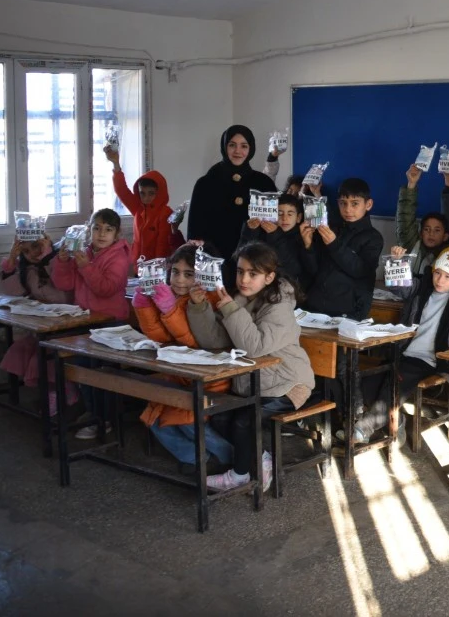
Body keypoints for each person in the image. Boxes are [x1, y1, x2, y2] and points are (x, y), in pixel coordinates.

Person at [188, 241, 315, 492]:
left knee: (245, 420)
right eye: (240, 271)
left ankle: (239, 476)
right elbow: (214, 341)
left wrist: (230, 308)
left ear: (269, 277)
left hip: (288, 384)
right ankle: (262, 458)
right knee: (220, 416)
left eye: (253, 273)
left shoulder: (279, 306)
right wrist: (200, 306)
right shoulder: (239, 299)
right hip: (252, 384)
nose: (244, 279)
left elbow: (255, 347)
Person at [351, 240, 449, 442]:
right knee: (369, 383)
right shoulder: (420, 288)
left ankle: (364, 428)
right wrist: (397, 262)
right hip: (403, 353)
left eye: (448, 276)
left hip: (429, 360)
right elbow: (399, 287)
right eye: (437, 273)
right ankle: (396, 421)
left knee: (395, 382)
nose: (440, 280)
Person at [131, 245, 234, 475]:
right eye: (175, 272)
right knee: (154, 417)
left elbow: (192, 342)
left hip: (211, 378)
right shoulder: (169, 295)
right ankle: (197, 458)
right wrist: (144, 305)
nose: (179, 280)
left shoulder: (208, 298)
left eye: (189, 274)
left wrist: (169, 309)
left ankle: (231, 457)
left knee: (185, 419)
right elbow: (160, 337)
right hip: (180, 376)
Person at [50, 209, 133, 439]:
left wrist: (86, 267)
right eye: (97, 228)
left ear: (117, 234)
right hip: (84, 321)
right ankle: (93, 412)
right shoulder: (84, 252)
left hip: (110, 324)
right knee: (83, 370)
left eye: (108, 230)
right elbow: (64, 284)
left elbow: (106, 288)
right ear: (89, 230)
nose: (101, 234)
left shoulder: (119, 257)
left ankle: (104, 419)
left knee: (102, 374)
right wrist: (63, 262)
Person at [0, 235, 75, 412]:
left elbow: (63, 288)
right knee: (21, 348)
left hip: (68, 323)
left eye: (34, 247)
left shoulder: (61, 260)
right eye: (25, 251)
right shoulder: (29, 269)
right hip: (44, 324)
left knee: (44, 355)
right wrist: (11, 261)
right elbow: (15, 292)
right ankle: (51, 391)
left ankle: (64, 390)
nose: (31, 254)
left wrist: (48, 257)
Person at [186, 125, 278, 263]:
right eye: (232, 145)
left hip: (254, 262)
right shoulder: (205, 183)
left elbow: (274, 227)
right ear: (224, 147)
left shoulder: (263, 183)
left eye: (244, 146)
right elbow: (195, 232)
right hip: (214, 261)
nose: (237, 151)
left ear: (251, 149)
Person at [300, 177, 385, 321]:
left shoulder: (373, 238)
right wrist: (308, 245)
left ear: (368, 204)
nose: (348, 209)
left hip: (348, 311)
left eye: (355, 203)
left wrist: (334, 244)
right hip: (316, 306)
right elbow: (314, 269)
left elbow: (360, 270)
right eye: (343, 203)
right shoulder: (331, 229)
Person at [106, 146, 180, 261]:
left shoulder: (165, 213)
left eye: (151, 193)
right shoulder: (138, 208)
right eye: (142, 193)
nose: (146, 198)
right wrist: (116, 164)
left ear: (159, 193)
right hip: (138, 264)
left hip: (156, 267)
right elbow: (121, 190)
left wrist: (157, 268)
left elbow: (162, 246)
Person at [397, 164, 449, 276]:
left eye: (437, 230)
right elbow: (405, 217)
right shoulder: (411, 246)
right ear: (421, 233)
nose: (431, 234)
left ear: (445, 236)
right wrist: (411, 184)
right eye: (427, 229)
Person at [237, 193, 311, 290]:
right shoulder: (262, 232)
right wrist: (250, 231)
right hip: (256, 287)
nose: (284, 218)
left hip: (285, 289)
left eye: (290, 214)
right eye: (279, 214)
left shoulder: (303, 237)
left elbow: (293, 268)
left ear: (298, 218)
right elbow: (238, 258)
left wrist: (276, 235)